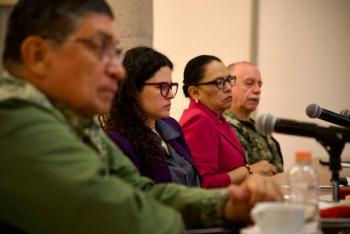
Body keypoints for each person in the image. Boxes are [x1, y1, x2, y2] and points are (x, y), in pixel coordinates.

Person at [0, 1, 282, 233]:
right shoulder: (13, 114)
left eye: (116, 53)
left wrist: (225, 206)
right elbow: (114, 217)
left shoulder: (75, 118)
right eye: (100, 49)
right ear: (38, 54)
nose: (118, 71)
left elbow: (142, 191)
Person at [103, 46, 200, 186]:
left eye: (171, 86)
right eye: (162, 86)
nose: (171, 95)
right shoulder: (119, 141)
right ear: (134, 89)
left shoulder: (171, 125)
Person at [180, 55, 277, 188]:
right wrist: (250, 170)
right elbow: (204, 184)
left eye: (229, 80)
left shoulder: (216, 117)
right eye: (219, 83)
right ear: (195, 92)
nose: (228, 88)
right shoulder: (199, 120)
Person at [224, 62, 284, 173]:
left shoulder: (259, 126)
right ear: (228, 86)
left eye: (259, 85)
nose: (257, 90)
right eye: (249, 83)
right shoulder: (223, 127)